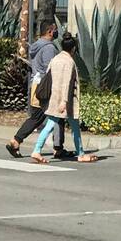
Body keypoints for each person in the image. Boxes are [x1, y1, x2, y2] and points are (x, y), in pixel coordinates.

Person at [30, 35, 96, 164]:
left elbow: (49, 77)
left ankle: (37, 150)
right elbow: (66, 83)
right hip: (66, 101)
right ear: (73, 49)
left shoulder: (55, 59)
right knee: (73, 127)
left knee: (51, 125)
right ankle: (80, 154)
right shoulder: (69, 62)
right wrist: (64, 102)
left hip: (54, 98)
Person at [5, 22, 66, 159]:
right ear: (50, 31)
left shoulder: (36, 46)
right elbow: (50, 69)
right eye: (55, 30)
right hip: (45, 87)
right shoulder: (49, 48)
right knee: (57, 115)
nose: (56, 32)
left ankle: (16, 141)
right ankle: (58, 148)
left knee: (36, 117)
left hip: (35, 85)